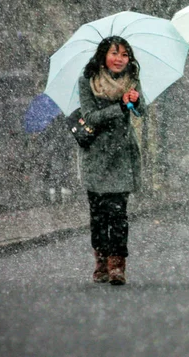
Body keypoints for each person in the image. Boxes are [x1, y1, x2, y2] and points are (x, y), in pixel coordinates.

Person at [78, 36, 146, 285]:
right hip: (95, 156)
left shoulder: (132, 80)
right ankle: (101, 261)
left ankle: (117, 264)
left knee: (118, 214)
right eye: (114, 53)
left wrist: (135, 101)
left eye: (125, 54)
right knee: (98, 215)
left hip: (122, 154)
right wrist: (120, 106)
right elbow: (89, 116)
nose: (120, 59)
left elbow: (142, 111)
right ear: (103, 56)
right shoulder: (88, 80)